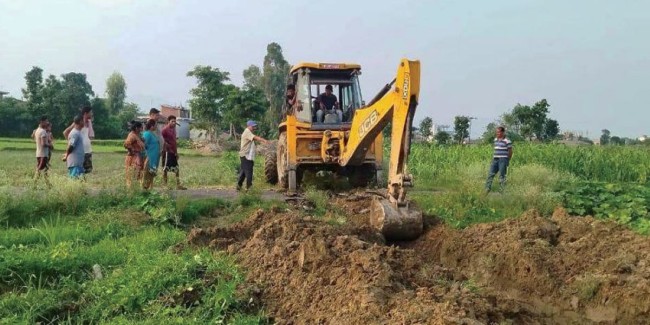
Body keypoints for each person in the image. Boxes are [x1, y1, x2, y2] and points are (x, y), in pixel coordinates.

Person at [237, 120, 268, 191]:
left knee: (244, 172)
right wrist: (264, 140)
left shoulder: (248, 132)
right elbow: (255, 138)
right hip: (246, 155)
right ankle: (249, 188)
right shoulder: (247, 131)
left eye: (254, 126)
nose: (254, 127)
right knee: (249, 172)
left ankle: (239, 186)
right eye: (253, 126)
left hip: (245, 155)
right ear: (249, 126)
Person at [64, 106, 94, 174]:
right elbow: (65, 132)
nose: (92, 114)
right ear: (86, 113)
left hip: (87, 150)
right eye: (91, 112)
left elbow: (90, 136)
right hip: (78, 151)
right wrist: (71, 144)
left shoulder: (89, 123)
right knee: (77, 170)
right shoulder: (77, 123)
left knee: (87, 171)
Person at [161, 115, 187, 190]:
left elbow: (174, 142)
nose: (174, 123)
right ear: (168, 121)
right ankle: (165, 185)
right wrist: (166, 145)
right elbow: (161, 140)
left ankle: (178, 185)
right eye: (172, 121)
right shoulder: (165, 130)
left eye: (175, 121)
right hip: (166, 152)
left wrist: (176, 153)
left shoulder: (174, 129)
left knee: (176, 168)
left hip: (173, 152)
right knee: (165, 169)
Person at [485, 126, 513, 193]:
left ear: (503, 132)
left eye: (499, 132)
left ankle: (502, 190)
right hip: (495, 159)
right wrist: (493, 158)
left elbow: (510, 152)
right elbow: (496, 150)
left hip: (503, 160)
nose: (497, 133)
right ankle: (487, 189)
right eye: (497, 132)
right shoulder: (495, 140)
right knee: (490, 174)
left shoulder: (507, 141)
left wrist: (507, 160)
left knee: (502, 175)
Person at [124, 121, 145, 188]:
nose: (141, 129)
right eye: (140, 128)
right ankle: (131, 190)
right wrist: (132, 151)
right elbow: (126, 144)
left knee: (138, 174)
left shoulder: (137, 135)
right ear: (136, 128)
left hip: (138, 157)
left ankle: (135, 189)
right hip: (133, 158)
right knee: (132, 174)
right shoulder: (132, 135)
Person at [142, 119, 160, 190]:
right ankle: (144, 190)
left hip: (154, 158)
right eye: (155, 125)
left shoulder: (152, 133)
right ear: (152, 126)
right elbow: (143, 145)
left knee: (152, 174)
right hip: (149, 158)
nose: (156, 126)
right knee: (147, 175)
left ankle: (150, 189)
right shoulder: (147, 134)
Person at [33, 119, 52, 188]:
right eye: (46, 121)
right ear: (42, 122)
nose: (47, 123)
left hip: (38, 153)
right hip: (43, 154)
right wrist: (50, 145)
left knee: (45, 169)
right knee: (39, 169)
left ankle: (48, 184)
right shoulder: (43, 132)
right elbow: (43, 144)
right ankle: (34, 184)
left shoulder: (37, 130)